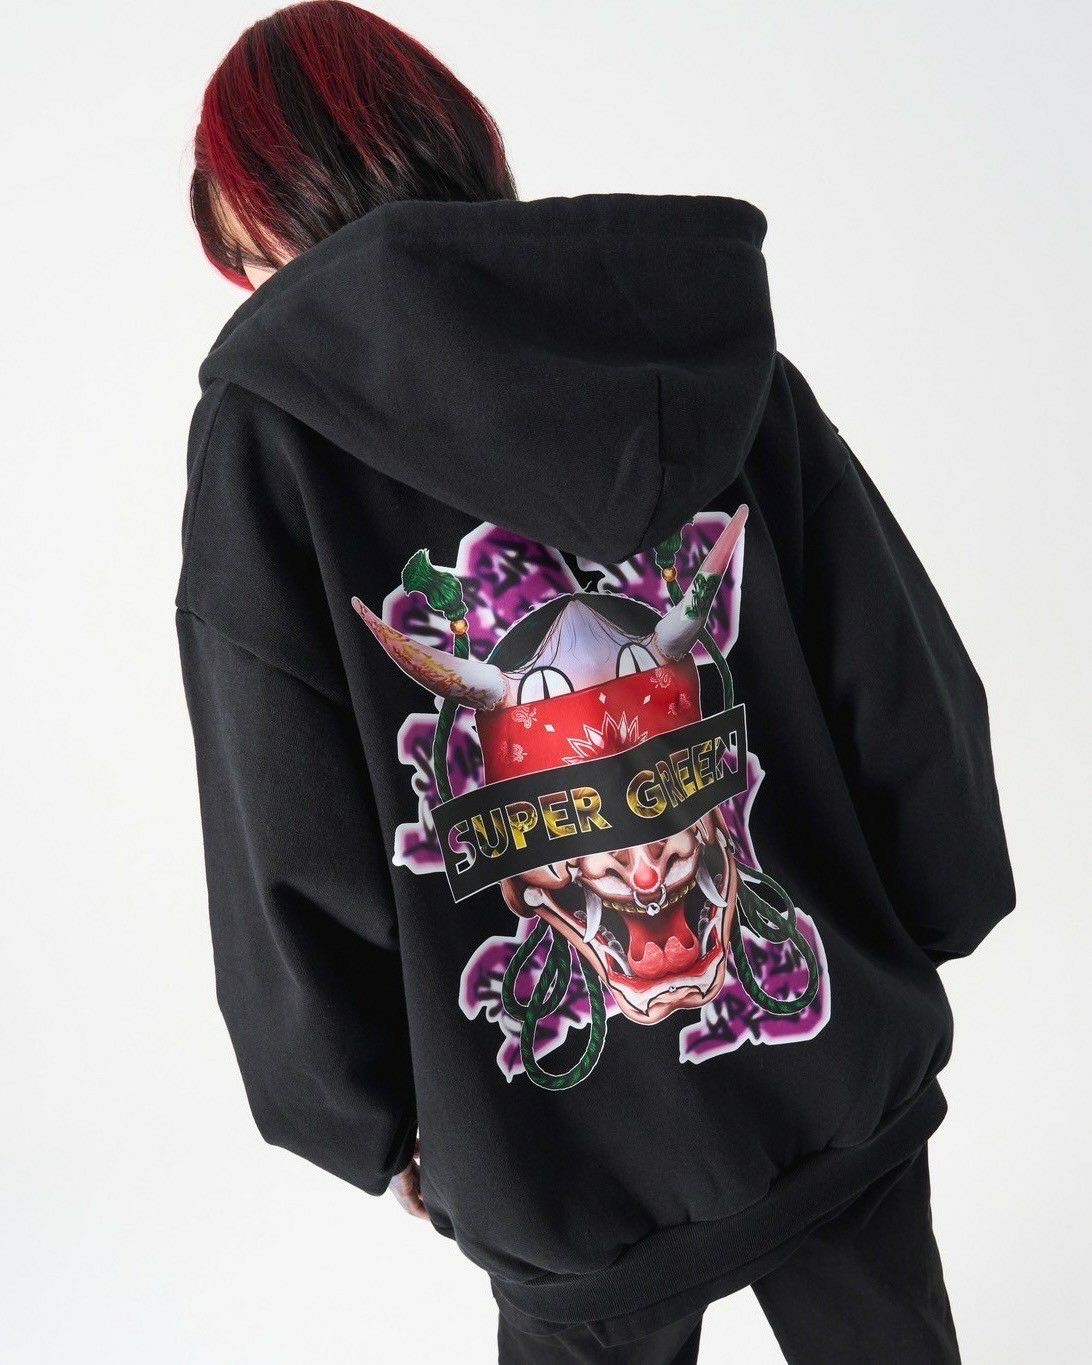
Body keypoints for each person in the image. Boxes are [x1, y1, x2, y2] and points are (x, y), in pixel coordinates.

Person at [179, 5, 1015, 1361]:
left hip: (553, 1157)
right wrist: (937, 898)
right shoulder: (678, 325)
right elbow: (894, 666)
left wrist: (361, 1113)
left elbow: (284, 820)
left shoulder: (271, 435)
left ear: (260, 229)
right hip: (836, 1061)